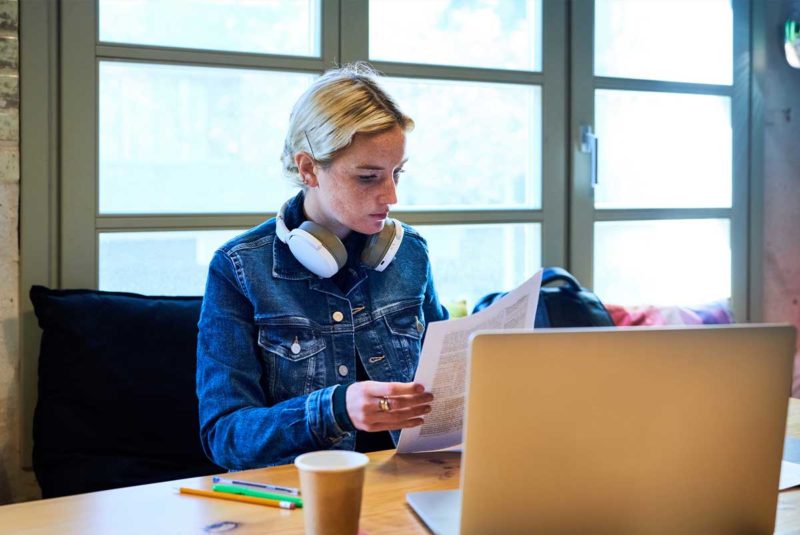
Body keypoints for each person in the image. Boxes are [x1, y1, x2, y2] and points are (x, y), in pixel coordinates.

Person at [196, 63, 449, 470]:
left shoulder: (410, 253)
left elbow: (446, 390)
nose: (392, 196)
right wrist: (335, 409)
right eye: (368, 177)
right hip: (301, 500)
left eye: (397, 173)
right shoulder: (238, 268)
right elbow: (226, 437)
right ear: (309, 169)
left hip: (409, 486)